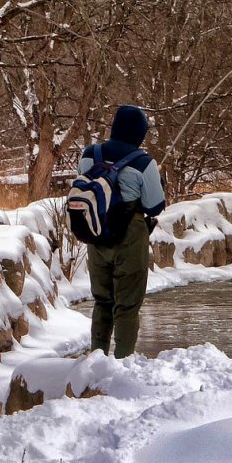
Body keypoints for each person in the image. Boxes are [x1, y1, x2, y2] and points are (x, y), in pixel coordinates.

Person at [79, 105, 166, 358]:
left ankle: (96, 359)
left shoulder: (89, 154)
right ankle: (123, 362)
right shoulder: (144, 162)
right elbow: (154, 206)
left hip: (96, 234)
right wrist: (157, 181)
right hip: (130, 237)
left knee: (102, 301)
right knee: (127, 306)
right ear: (139, 133)